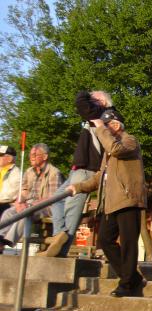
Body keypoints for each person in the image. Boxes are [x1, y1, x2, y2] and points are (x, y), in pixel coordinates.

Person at [68, 110, 147, 297]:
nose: (101, 131)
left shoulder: (130, 141)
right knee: (104, 239)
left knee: (128, 243)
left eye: (107, 126)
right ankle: (133, 278)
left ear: (117, 125)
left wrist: (101, 129)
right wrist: (77, 187)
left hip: (128, 200)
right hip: (111, 203)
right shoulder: (108, 154)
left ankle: (127, 284)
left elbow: (116, 149)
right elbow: (98, 178)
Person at [39, 90, 122, 257]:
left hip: (87, 170)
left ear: (103, 102)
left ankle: (59, 252)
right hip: (78, 169)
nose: (90, 101)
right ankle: (58, 236)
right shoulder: (99, 113)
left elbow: (81, 104)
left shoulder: (106, 114)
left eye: (94, 99)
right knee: (57, 201)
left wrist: (86, 93)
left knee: (71, 210)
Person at [0, 144, 63, 252]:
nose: (31, 157)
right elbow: (24, 190)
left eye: (35, 154)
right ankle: (0, 238)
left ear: (45, 157)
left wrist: (31, 205)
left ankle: (8, 241)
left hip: (46, 206)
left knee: (26, 213)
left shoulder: (54, 173)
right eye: (30, 154)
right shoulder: (29, 171)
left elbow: (53, 198)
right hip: (29, 204)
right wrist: (19, 201)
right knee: (9, 212)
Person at [0, 145, 21, 217]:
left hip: (7, 205)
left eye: (1, 155)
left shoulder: (16, 173)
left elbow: (11, 195)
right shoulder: (1, 170)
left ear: (9, 158)